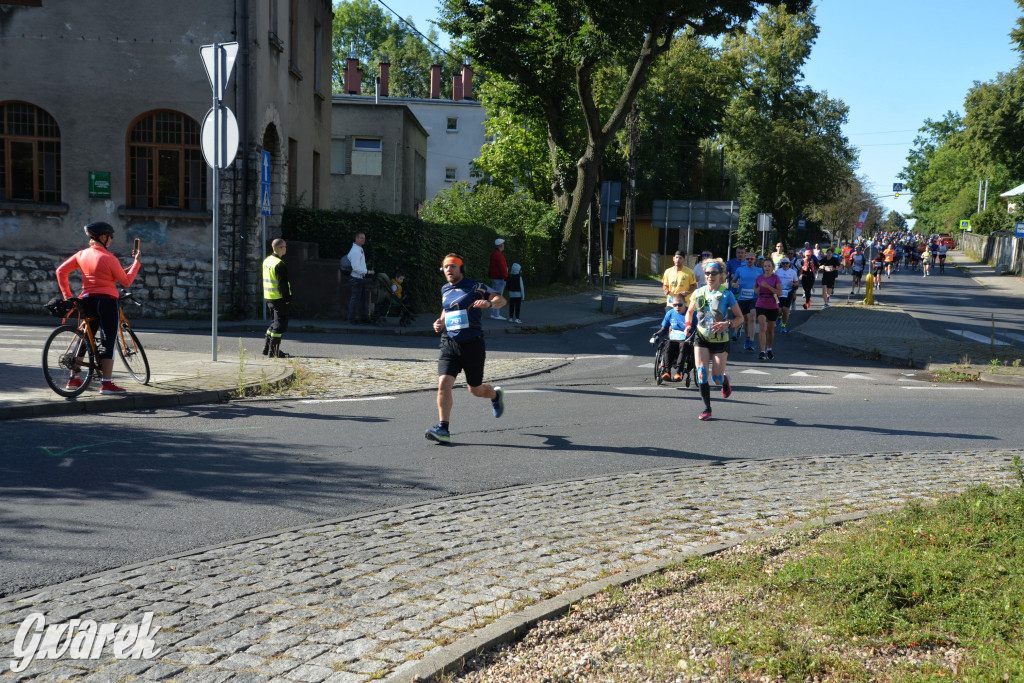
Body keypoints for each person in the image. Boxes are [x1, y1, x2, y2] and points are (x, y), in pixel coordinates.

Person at [426, 253, 507, 444]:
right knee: (444, 383)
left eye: (453, 266)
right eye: (446, 267)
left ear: (461, 268)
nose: (449, 270)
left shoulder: (475, 286)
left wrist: (489, 303)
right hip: (449, 342)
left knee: (476, 389)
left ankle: (495, 395)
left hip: (472, 343)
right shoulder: (445, 288)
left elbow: (501, 300)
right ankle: (443, 428)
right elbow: (448, 308)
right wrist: (440, 321)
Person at [55, 221, 142, 395]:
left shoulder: (81, 255)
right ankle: (107, 383)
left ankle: (74, 379)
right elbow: (126, 281)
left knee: (85, 338)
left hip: (87, 301)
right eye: (110, 237)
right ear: (103, 237)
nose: (110, 241)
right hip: (107, 302)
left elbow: (60, 271)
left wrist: (67, 296)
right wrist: (136, 263)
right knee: (108, 340)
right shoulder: (109, 258)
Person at [684, 258, 743, 421]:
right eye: (707, 273)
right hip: (701, 337)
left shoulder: (726, 294)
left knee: (716, 379)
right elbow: (689, 312)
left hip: (720, 340)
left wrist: (728, 323)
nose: (710, 276)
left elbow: (740, 318)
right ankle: (707, 408)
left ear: (721, 275)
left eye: (714, 273)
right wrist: (687, 325)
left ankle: (724, 380)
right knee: (701, 373)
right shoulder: (698, 292)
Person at [261, 238, 292, 358]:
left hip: (269, 296)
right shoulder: (279, 264)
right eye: (285, 246)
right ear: (280, 248)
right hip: (278, 298)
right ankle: (274, 352)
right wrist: (287, 298)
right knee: (280, 326)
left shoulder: (267, 261)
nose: (286, 248)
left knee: (274, 323)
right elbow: (282, 284)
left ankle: (266, 349)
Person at [653, 294, 692, 382]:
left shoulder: (691, 313)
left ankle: (678, 371)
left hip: (686, 340)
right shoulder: (670, 313)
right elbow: (664, 329)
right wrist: (656, 335)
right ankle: (667, 371)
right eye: (675, 305)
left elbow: (698, 328)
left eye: (680, 305)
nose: (677, 307)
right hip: (673, 339)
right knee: (668, 344)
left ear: (685, 303)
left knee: (684, 346)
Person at [731, 252, 763, 350]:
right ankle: (747, 338)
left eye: (752, 259)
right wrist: (734, 285)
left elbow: (763, 282)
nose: (749, 260)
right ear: (745, 259)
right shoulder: (740, 269)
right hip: (742, 298)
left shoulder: (759, 270)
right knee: (745, 320)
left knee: (753, 316)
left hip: (754, 297)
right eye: (748, 259)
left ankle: (751, 341)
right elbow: (733, 281)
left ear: (755, 260)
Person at [755, 258, 782, 360]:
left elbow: (780, 293)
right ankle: (762, 351)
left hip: (772, 304)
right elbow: (755, 287)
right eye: (765, 266)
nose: (767, 268)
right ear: (763, 267)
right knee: (762, 327)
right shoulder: (759, 278)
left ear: (772, 267)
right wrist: (757, 291)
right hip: (761, 303)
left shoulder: (776, 278)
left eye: (769, 266)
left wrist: (768, 287)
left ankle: (769, 349)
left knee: (770, 329)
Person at [346, 232, 374, 324]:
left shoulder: (359, 249)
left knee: (361, 299)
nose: (363, 240)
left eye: (364, 238)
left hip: (360, 278)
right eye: (361, 238)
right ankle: (351, 320)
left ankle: (363, 318)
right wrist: (368, 272)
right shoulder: (355, 251)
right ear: (356, 239)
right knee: (355, 300)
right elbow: (356, 268)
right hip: (356, 278)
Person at [775, 256, 799, 332]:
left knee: (785, 310)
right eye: (783, 263)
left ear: (789, 264)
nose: (785, 265)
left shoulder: (793, 272)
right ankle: (779, 316)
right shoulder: (778, 271)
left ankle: (783, 325)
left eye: (787, 263)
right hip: (779, 292)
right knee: (778, 310)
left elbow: (797, 282)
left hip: (788, 292)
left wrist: (794, 284)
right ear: (781, 264)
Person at [489, 238, 509, 320]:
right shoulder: (499, 255)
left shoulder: (493, 253)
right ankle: (496, 314)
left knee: (494, 295)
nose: (504, 245)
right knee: (498, 296)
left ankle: (493, 313)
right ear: (500, 245)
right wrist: (506, 277)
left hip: (494, 277)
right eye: (503, 244)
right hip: (499, 278)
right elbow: (502, 267)